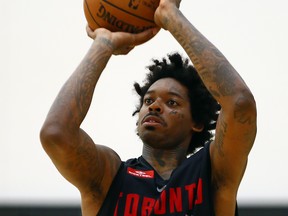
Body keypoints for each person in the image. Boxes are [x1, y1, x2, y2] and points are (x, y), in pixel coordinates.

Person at [40, 0, 257, 215]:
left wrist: (170, 16)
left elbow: (240, 105)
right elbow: (55, 133)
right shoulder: (110, 177)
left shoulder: (211, 174)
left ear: (197, 122)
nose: (154, 107)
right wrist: (104, 43)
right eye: (148, 100)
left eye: (171, 102)